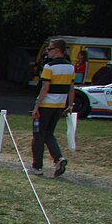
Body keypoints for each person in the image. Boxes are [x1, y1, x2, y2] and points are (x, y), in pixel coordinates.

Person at [31, 39, 74, 177]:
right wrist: (70, 105)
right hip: (59, 106)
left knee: (38, 135)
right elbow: (72, 88)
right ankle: (58, 158)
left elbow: (45, 87)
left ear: (56, 50)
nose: (47, 52)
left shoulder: (49, 67)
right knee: (49, 133)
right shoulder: (70, 67)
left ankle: (37, 166)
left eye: (49, 49)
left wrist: (36, 106)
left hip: (46, 105)